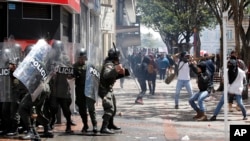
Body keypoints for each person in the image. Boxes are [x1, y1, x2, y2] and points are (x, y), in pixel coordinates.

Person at [98, 47, 129, 134]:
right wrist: (116, 69)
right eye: (118, 56)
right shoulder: (109, 64)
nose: (119, 58)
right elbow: (106, 75)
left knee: (114, 108)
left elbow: (113, 76)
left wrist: (122, 72)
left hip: (109, 89)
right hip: (104, 89)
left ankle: (110, 125)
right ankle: (103, 128)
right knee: (109, 108)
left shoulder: (111, 63)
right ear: (115, 57)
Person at [73, 49, 97, 133]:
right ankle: (85, 125)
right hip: (79, 90)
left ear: (85, 58)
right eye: (79, 58)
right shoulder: (74, 66)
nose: (81, 60)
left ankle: (94, 125)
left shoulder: (90, 66)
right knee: (82, 109)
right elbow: (71, 76)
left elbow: (96, 77)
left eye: (82, 58)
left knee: (91, 108)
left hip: (89, 89)